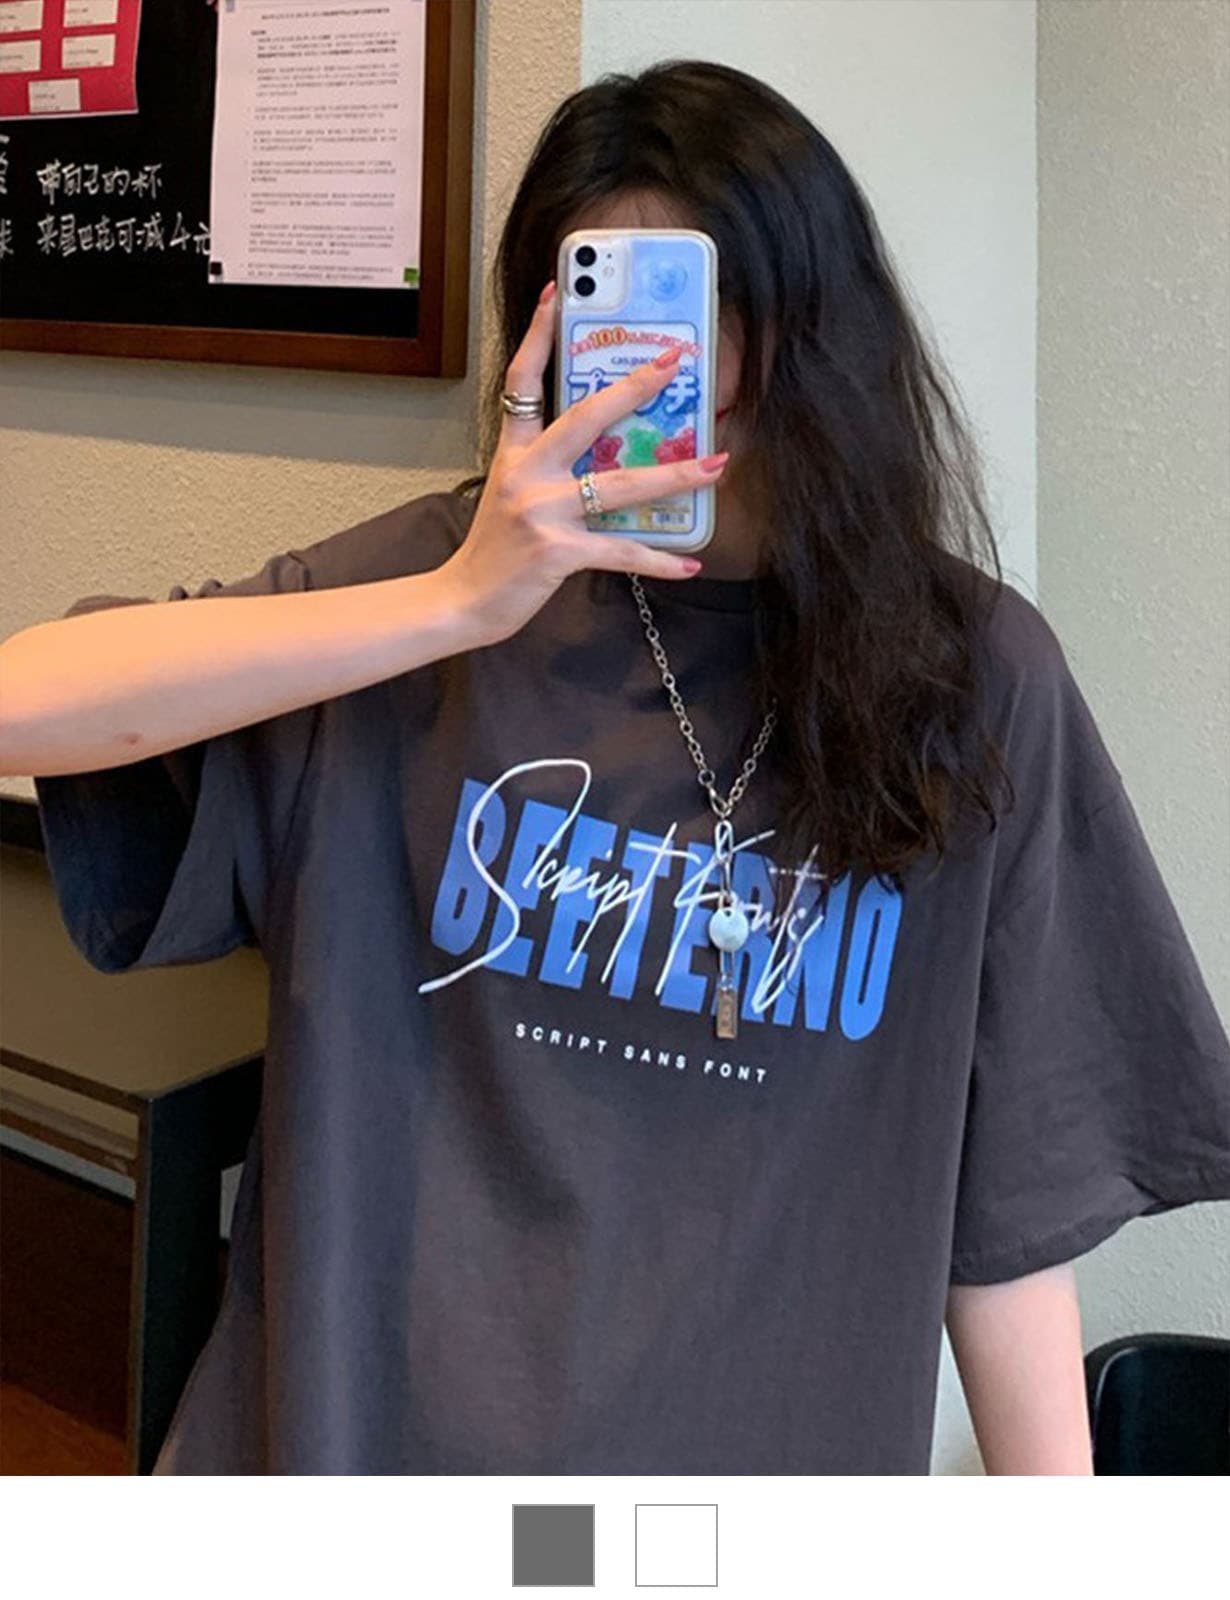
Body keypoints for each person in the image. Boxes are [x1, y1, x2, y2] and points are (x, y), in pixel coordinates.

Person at [4, 60, 1229, 1477]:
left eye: (704, 305)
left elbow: (1006, 1216)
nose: (660, 366)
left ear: (812, 322)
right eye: (610, 308)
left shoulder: (973, 676)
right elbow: (25, 707)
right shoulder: (433, 591)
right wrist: (455, 604)